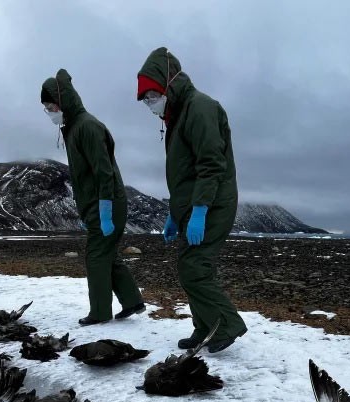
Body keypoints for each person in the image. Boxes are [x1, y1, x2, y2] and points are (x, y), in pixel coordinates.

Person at [136, 47, 247, 353]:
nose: (149, 104)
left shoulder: (199, 108)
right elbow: (183, 175)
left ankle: (227, 325)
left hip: (213, 202)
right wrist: (175, 214)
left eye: (152, 96)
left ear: (168, 86)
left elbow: (210, 164)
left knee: (194, 266)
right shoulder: (178, 115)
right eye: (145, 99)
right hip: (194, 205)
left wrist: (199, 211)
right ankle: (205, 327)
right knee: (193, 266)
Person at [41, 69, 146, 326]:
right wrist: (86, 211)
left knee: (96, 256)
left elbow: (103, 171)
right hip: (97, 205)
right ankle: (132, 301)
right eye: (46, 108)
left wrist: (105, 209)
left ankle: (100, 312)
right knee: (106, 253)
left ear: (63, 102)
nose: (49, 112)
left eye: (51, 106)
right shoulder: (75, 128)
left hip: (107, 202)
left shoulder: (87, 127)